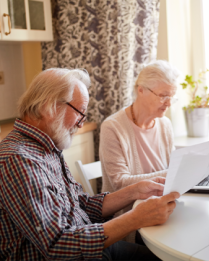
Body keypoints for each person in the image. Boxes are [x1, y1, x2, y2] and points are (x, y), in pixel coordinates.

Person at [0, 68, 179, 261]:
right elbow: (57, 245)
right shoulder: (18, 160)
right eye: (80, 112)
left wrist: (135, 191)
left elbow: (81, 204)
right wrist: (136, 218)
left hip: (90, 246)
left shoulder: (47, 147)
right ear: (49, 107)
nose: (81, 123)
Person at [100, 60, 179, 242]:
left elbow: (173, 166)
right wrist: (174, 173)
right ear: (140, 90)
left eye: (171, 97)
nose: (168, 103)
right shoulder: (112, 127)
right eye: (163, 96)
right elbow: (120, 183)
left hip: (164, 211)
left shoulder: (165, 124)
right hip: (131, 221)